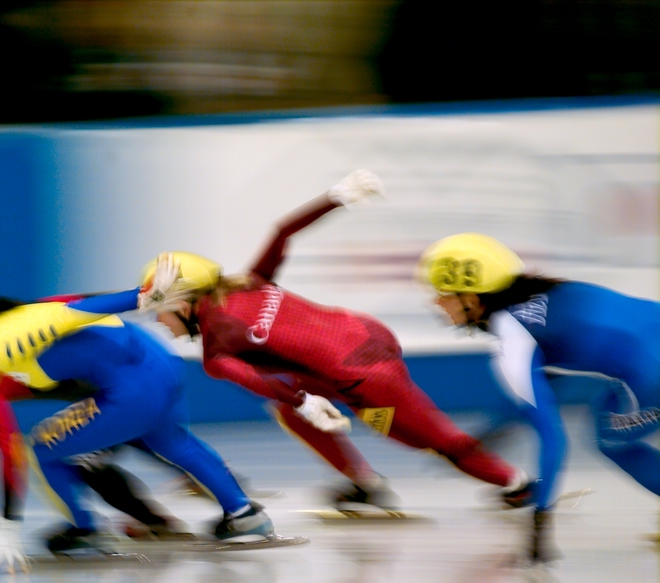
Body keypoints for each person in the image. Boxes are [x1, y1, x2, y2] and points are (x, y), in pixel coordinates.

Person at [137, 171, 533, 516]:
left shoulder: (216, 354)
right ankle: (364, 483)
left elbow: (264, 384)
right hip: (366, 335)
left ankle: (517, 484)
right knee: (291, 407)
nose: (157, 319)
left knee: (433, 442)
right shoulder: (250, 281)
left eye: (160, 308)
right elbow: (282, 231)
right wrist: (337, 196)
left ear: (185, 302)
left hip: (366, 380)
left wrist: (306, 402)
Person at [0, 270, 275, 571]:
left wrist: (6, 521)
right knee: (171, 441)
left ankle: (87, 529)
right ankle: (244, 515)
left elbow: (74, 310)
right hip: (157, 366)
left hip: (130, 387)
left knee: (41, 448)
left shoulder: (2, 337)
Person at [417, 232, 660, 561]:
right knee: (607, 407)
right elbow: (545, 381)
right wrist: (488, 435)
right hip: (647, 359)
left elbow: (551, 436)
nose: (435, 303)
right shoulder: (548, 293)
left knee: (610, 437)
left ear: (472, 298)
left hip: (650, 372)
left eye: (443, 294)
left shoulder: (512, 336)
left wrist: (539, 524)